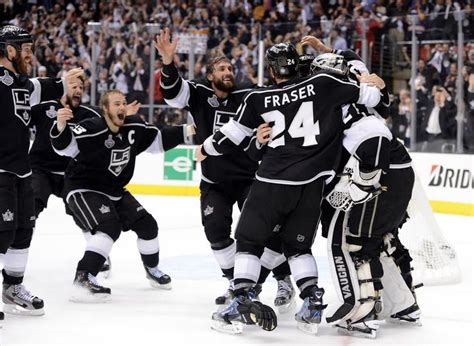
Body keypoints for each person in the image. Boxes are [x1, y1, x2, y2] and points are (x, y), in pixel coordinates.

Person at [196, 42, 382, 334]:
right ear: (297, 64)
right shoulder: (324, 83)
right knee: (298, 247)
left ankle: (242, 298)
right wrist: (366, 79)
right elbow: (371, 97)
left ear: (271, 70)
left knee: (248, 241)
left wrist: (203, 150)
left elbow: (228, 137)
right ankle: (310, 301)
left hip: (271, 183)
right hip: (311, 186)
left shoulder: (259, 98)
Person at [155, 28, 295, 310]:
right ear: (210, 75)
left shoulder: (248, 94)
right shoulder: (197, 92)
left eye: (230, 68)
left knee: (265, 232)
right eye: (221, 68)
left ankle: (284, 281)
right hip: (215, 181)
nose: (228, 71)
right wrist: (169, 63)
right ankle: (237, 285)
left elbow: (279, 103)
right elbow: (171, 92)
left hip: (248, 178)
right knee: (216, 232)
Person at [302, 36, 422, 337]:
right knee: (381, 238)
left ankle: (360, 310)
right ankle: (402, 303)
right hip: (396, 172)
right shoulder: (355, 88)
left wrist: (365, 182)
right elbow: (379, 103)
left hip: (385, 174)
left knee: (353, 241)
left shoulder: (337, 100)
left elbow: (375, 135)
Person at [50, 89, 194, 302]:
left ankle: (152, 270)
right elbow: (65, 146)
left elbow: (158, 139)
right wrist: (60, 125)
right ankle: (84, 277)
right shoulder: (92, 128)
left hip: (115, 190)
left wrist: (191, 129)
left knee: (148, 225)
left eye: (123, 103)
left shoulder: (133, 127)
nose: (121, 107)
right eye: (116, 103)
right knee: (109, 226)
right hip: (83, 187)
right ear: (105, 109)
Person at [0, 24, 82, 319]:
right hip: (0, 171)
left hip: (21, 171)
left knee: (22, 231)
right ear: (9, 50)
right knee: (2, 233)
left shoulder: (20, 82)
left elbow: (41, 87)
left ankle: (12, 287)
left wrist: (63, 83)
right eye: (26, 49)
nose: (30, 54)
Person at [29, 73, 133, 277]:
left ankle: (97, 252)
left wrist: (124, 114)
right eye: (73, 86)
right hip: (40, 169)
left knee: (83, 214)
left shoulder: (89, 113)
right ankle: (17, 250)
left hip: (71, 173)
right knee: (31, 207)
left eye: (81, 88)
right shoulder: (43, 107)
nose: (78, 91)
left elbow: (111, 122)